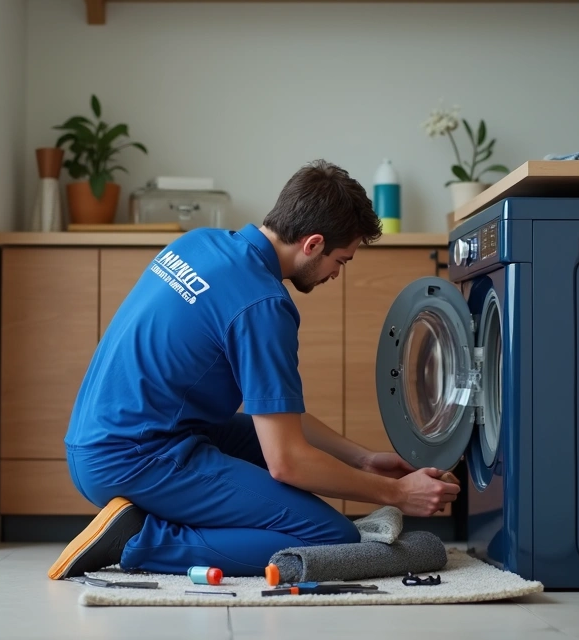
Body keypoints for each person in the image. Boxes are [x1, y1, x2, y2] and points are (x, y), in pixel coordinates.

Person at [47, 159, 461, 581]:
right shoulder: (263, 304)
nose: (337, 273)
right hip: (132, 459)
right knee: (327, 533)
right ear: (313, 244)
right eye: (342, 260)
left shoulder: (199, 243)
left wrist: (363, 460)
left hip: (97, 441)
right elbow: (288, 463)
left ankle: (173, 523)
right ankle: (140, 540)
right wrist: (396, 493)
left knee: (254, 432)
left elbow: (278, 419)